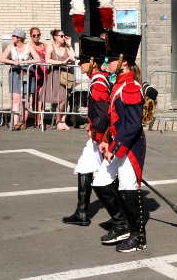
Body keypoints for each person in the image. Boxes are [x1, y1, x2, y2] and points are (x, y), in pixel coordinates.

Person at [94, 31, 148, 253]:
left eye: (112, 59)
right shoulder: (119, 85)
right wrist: (107, 141)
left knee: (127, 189)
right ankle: (122, 225)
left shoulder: (131, 87)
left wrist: (116, 149)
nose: (108, 62)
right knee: (100, 182)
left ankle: (139, 237)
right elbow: (116, 121)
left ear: (123, 62)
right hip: (118, 145)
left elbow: (134, 125)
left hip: (131, 147)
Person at [62, 35, 112, 226]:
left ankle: (119, 218)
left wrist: (99, 138)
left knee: (109, 177)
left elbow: (102, 116)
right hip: (98, 137)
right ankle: (82, 212)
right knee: (85, 167)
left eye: (83, 62)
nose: (81, 66)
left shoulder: (98, 83)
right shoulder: (100, 79)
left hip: (101, 138)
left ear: (91, 62)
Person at [0, 28, 41, 130]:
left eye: (14, 36)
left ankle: (23, 122)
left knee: (25, 100)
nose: (12, 38)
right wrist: (13, 62)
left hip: (27, 73)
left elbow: (38, 59)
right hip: (15, 73)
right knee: (15, 99)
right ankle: (15, 123)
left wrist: (24, 62)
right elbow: (2, 58)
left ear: (19, 38)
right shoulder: (11, 46)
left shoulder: (28, 47)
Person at [41, 29, 76, 130]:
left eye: (64, 35)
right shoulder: (50, 47)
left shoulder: (66, 48)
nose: (63, 37)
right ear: (55, 37)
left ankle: (62, 121)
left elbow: (73, 58)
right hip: (55, 75)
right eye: (61, 36)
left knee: (65, 100)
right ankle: (59, 121)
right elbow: (47, 60)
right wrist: (61, 63)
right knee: (61, 100)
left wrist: (69, 45)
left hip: (66, 75)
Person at [29, 27, 48, 128]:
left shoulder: (45, 45)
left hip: (45, 73)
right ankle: (36, 119)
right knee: (35, 97)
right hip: (34, 74)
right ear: (31, 36)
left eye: (38, 35)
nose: (36, 37)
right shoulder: (29, 46)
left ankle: (40, 119)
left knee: (42, 97)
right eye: (34, 35)